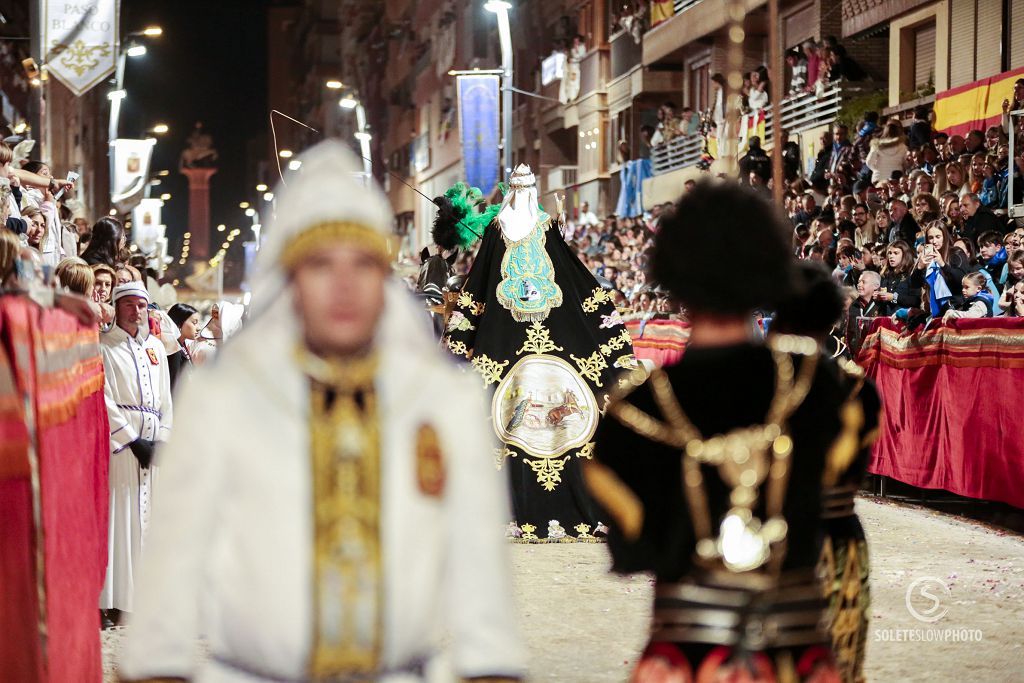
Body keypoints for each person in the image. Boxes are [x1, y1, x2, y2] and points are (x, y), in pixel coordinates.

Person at [119, 141, 525, 682]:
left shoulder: (442, 399)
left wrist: (491, 665)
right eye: (320, 264)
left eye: (362, 263)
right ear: (291, 279)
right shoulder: (225, 398)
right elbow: (174, 559)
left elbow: (479, 563)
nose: (344, 284)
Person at [586, 180, 858, 682]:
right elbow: (835, 494)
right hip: (795, 653)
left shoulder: (630, 412)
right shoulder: (817, 383)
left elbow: (633, 550)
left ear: (675, 275)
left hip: (685, 657)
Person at [441, 164, 636, 543]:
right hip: (530, 339)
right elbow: (574, 277)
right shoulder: (534, 229)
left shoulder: (504, 230)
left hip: (508, 341)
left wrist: (462, 329)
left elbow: (480, 284)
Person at [770, 263, 881, 683]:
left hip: (776, 535)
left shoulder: (764, 383)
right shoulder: (859, 387)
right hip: (840, 534)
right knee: (839, 659)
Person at [100, 282, 174, 625]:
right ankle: (116, 600)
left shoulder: (155, 348)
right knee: (123, 518)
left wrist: (163, 439)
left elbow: (166, 399)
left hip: (153, 442)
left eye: (142, 305)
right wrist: (132, 439)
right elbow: (104, 397)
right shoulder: (105, 346)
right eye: (129, 305)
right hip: (123, 447)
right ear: (117, 308)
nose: (136, 311)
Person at [912, 222, 969, 317]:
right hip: (935, 309)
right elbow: (914, 284)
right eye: (931, 238)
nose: (934, 241)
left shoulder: (956, 253)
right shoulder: (925, 256)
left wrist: (942, 264)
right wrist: (919, 267)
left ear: (945, 237)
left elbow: (962, 279)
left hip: (956, 308)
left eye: (938, 237)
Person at [166, 303, 201, 391]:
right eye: (194, 323)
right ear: (179, 323)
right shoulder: (174, 350)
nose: (198, 328)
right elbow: (173, 386)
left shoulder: (182, 346)